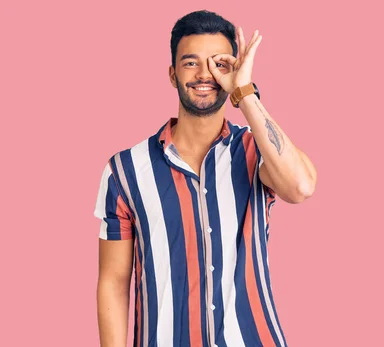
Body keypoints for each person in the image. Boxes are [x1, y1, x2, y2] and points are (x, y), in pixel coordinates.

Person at [93, 10, 317, 347]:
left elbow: (301, 186)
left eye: (219, 63)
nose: (205, 74)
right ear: (172, 74)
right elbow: (113, 280)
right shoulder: (124, 171)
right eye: (191, 63)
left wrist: (245, 92)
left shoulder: (256, 152)